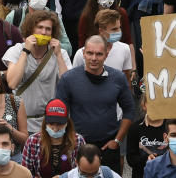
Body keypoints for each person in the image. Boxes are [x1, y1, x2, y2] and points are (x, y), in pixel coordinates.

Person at [54, 36, 132, 171]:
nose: (94, 58)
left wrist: (117, 141)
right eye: (90, 53)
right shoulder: (68, 79)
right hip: (77, 146)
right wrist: (68, 141)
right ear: (83, 53)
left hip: (108, 146)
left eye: (99, 54)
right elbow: (60, 114)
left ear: (106, 55)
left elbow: (130, 110)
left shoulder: (118, 78)